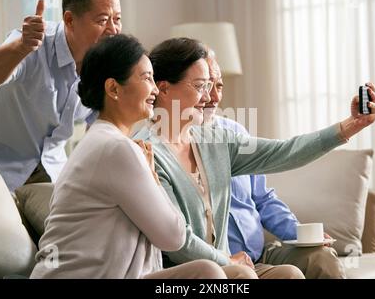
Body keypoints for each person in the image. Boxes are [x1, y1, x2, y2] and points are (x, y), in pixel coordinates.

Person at [30, 34, 230, 279]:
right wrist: (154, 178)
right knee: (209, 273)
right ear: (113, 88)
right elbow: (173, 237)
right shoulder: (115, 148)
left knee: (213, 272)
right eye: (147, 78)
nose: (156, 89)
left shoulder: (107, 141)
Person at [135, 37, 329, 279]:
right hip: (185, 271)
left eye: (212, 86)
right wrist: (226, 260)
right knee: (243, 277)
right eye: (200, 87)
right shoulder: (146, 150)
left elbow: (284, 152)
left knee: (290, 275)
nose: (208, 98)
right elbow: (177, 240)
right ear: (163, 89)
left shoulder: (216, 140)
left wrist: (347, 128)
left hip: (232, 264)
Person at [203, 52, 372, 278]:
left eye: (219, 86)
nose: (214, 96)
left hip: (260, 254)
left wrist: (302, 234)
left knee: (321, 258)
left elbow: (263, 198)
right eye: (204, 86)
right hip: (222, 263)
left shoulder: (235, 132)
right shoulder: (172, 144)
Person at [0, 0, 122, 192]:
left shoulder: (106, 67)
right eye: (102, 20)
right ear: (70, 20)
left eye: (117, 19)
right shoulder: (32, 42)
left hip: (52, 173)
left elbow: (103, 128)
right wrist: (21, 47)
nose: (113, 30)